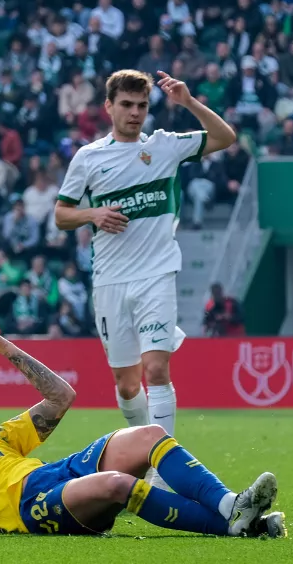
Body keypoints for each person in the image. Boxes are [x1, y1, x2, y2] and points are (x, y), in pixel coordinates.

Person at [0, 315, 285, 537]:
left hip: (55, 475)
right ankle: (233, 528)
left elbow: (61, 397)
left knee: (150, 435)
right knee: (115, 483)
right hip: (29, 511)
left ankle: (231, 506)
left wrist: (8, 349)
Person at [53, 69, 236, 487]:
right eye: (127, 105)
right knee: (127, 382)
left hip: (156, 275)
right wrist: (93, 214)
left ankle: (165, 468)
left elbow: (225, 137)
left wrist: (188, 102)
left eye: (142, 106)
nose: (135, 113)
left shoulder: (165, 146)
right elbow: (61, 214)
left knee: (156, 370)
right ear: (109, 107)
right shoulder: (89, 158)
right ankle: (143, 454)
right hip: (110, 282)